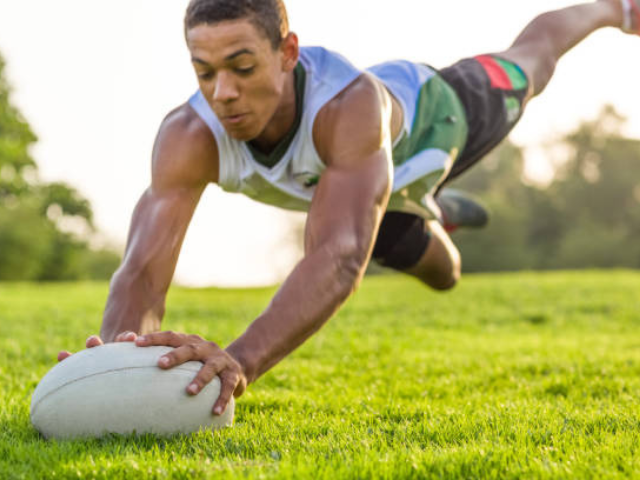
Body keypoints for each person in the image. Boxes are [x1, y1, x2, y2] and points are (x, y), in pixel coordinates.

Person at [59, 0, 639, 416]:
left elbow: (337, 258)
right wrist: (114, 360)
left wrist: (237, 362)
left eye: (242, 66)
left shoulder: (348, 105)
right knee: (445, 274)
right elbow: (141, 268)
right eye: (204, 71)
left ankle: (609, 8)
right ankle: (436, 214)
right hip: (353, 189)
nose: (223, 93)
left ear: (287, 52)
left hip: (435, 123)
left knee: (530, 62)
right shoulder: (188, 133)